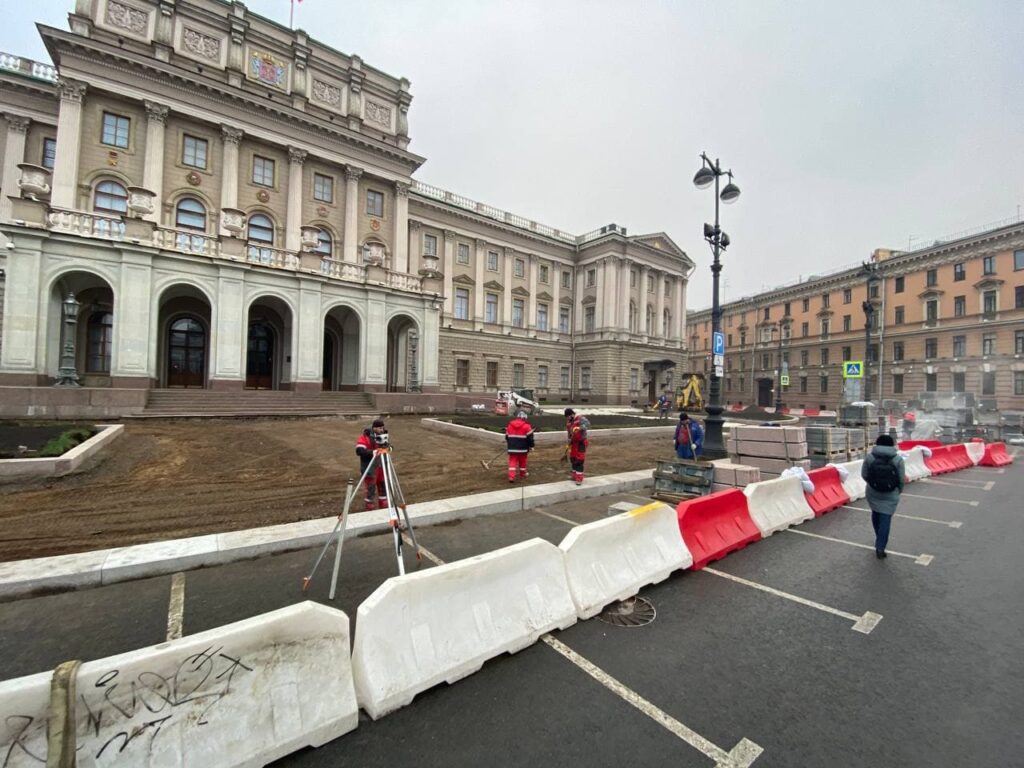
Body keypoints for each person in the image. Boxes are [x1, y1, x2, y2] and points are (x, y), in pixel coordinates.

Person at [860, 434, 906, 558]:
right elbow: (901, 479)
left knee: (875, 513)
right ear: (892, 445)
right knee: (886, 519)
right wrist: (898, 490)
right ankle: (880, 547)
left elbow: (864, 474)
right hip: (891, 494)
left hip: (873, 492)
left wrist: (873, 484)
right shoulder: (898, 459)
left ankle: (879, 536)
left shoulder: (870, 457)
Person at [355, 418, 389, 510]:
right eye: (379, 428)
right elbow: (359, 450)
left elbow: (389, 448)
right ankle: (369, 503)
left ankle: (383, 501)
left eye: (382, 428)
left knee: (383, 484)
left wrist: (387, 449)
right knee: (370, 485)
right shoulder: (366, 437)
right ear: (374, 428)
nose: (381, 430)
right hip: (370, 467)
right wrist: (372, 452)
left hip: (381, 466)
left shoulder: (383, 436)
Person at [505, 411, 535, 483]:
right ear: (524, 418)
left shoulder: (509, 426)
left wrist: (511, 443)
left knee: (512, 462)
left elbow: (507, 437)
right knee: (522, 462)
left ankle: (511, 477)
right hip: (523, 449)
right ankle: (522, 474)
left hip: (512, 448)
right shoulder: (527, 426)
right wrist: (531, 446)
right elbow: (530, 439)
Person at [564, 408, 589, 485]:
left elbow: (588, 424)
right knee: (573, 459)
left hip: (581, 442)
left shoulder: (580, 418)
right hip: (573, 443)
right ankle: (574, 476)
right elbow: (569, 433)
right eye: (566, 417)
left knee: (579, 461)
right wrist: (568, 442)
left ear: (572, 414)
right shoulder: (569, 423)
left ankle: (579, 478)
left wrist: (580, 428)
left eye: (568, 416)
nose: (567, 418)